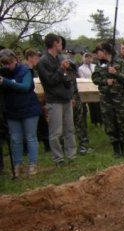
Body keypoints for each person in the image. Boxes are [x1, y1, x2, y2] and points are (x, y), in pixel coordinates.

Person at [0, 49, 42, 177]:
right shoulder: (3, 73)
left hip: (29, 108)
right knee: (15, 139)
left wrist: (6, 82)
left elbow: (25, 87)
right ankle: (18, 164)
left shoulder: (25, 70)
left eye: (9, 63)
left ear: (15, 60)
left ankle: (33, 164)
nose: (7, 66)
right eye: (4, 64)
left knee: (30, 137)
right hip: (12, 110)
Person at [37, 33, 77, 165]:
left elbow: (68, 77)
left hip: (66, 98)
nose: (61, 46)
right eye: (60, 43)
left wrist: (70, 95)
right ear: (55, 43)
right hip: (54, 101)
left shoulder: (60, 58)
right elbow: (50, 81)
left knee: (69, 129)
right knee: (56, 132)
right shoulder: (43, 61)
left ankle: (71, 155)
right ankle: (58, 158)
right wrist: (61, 69)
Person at [92, 42, 124, 157]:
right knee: (110, 123)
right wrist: (105, 81)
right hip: (106, 99)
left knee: (121, 122)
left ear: (105, 52)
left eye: (99, 51)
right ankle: (115, 149)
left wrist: (116, 73)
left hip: (120, 99)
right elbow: (95, 78)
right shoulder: (99, 64)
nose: (98, 54)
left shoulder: (119, 61)